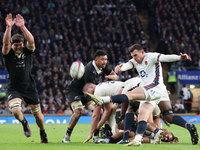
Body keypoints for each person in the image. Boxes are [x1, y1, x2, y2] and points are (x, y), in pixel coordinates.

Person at [85, 44, 198, 146]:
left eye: (136, 55)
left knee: (131, 99)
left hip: (153, 87)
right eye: (132, 56)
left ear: (142, 52)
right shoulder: (135, 61)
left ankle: (103, 100)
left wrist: (180, 58)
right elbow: (128, 64)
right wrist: (120, 68)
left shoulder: (151, 56)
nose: (134, 58)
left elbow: (165, 57)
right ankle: (188, 126)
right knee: (167, 116)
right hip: (159, 88)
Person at [2, 13, 48, 143]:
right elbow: (5, 43)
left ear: (22, 44)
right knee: (16, 110)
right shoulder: (8, 54)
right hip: (14, 87)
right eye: (15, 45)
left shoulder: (27, 52)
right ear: (12, 45)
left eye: (20, 44)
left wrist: (22, 27)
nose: (18, 47)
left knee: (38, 114)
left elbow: (32, 41)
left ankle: (42, 133)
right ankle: (24, 122)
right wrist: (9, 27)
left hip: (29, 86)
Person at [62, 50, 118, 143]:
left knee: (99, 111)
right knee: (78, 111)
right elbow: (89, 90)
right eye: (102, 59)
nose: (105, 61)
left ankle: (96, 136)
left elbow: (114, 75)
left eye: (106, 59)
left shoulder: (102, 66)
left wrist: (113, 77)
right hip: (75, 91)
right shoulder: (89, 70)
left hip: (87, 92)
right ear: (96, 60)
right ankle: (66, 137)